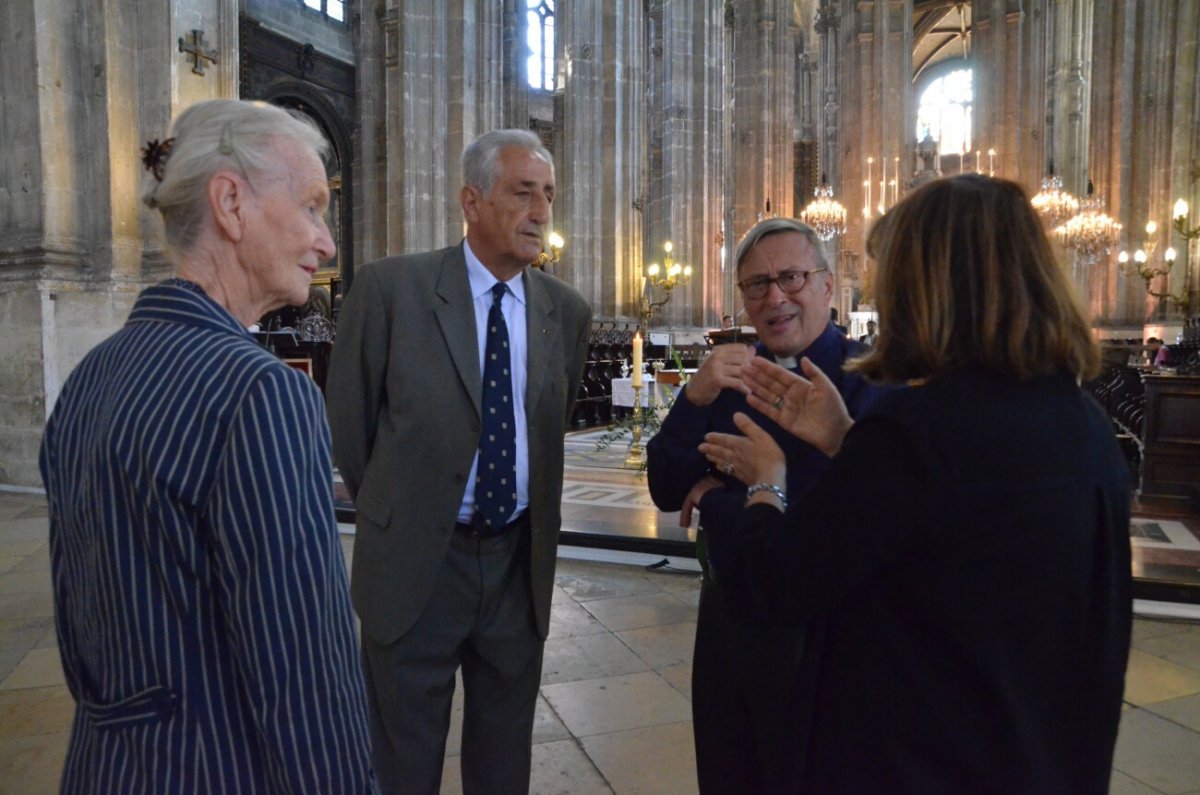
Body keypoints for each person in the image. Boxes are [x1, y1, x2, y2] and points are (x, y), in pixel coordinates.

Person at [700, 174, 1131, 792]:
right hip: (1041, 757)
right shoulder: (1082, 424)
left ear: (928, 288)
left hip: (921, 759)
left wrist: (765, 484)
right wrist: (848, 442)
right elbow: (960, 549)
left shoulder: (919, 429)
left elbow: (772, 589)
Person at [39, 99, 375, 792]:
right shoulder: (261, 394)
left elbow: (83, 637)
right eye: (313, 206)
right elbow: (306, 678)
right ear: (230, 203)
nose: (328, 242)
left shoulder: (89, 377)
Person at [326, 129, 592, 794]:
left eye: (549, 196)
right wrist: (406, 505)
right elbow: (351, 428)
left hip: (515, 565)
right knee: (403, 761)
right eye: (522, 192)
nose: (541, 211)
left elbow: (546, 428)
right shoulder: (391, 291)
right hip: (417, 562)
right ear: (471, 201)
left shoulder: (567, 311)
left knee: (505, 761)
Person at [646, 218, 887, 792]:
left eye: (792, 277)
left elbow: (855, 511)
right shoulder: (728, 378)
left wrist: (729, 498)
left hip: (827, 631)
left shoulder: (872, 381)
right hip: (732, 625)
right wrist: (694, 396)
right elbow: (663, 485)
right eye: (757, 284)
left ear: (829, 287)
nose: (775, 296)